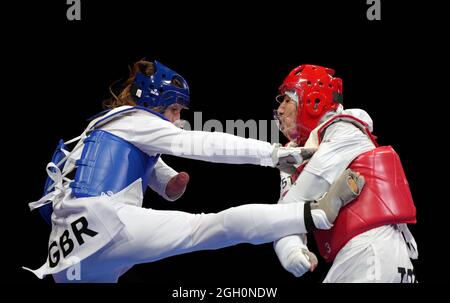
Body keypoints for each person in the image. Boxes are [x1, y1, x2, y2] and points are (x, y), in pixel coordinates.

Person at [23, 60, 365, 282]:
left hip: (69, 258)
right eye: (173, 109)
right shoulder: (136, 119)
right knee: (209, 227)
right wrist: (271, 154)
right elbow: (201, 144)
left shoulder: (102, 129)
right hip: (103, 223)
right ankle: (315, 213)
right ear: (152, 102)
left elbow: (153, 174)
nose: (176, 119)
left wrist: (170, 182)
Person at [272, 64, 418, 282]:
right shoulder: (313, 146)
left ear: (313, 100)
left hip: (371, 251)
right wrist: (291, 249)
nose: (280, 110)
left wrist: (288, 250)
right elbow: (285, 218)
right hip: (370, 254)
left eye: (287, 99)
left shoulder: (343, 132)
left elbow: (287, 212)